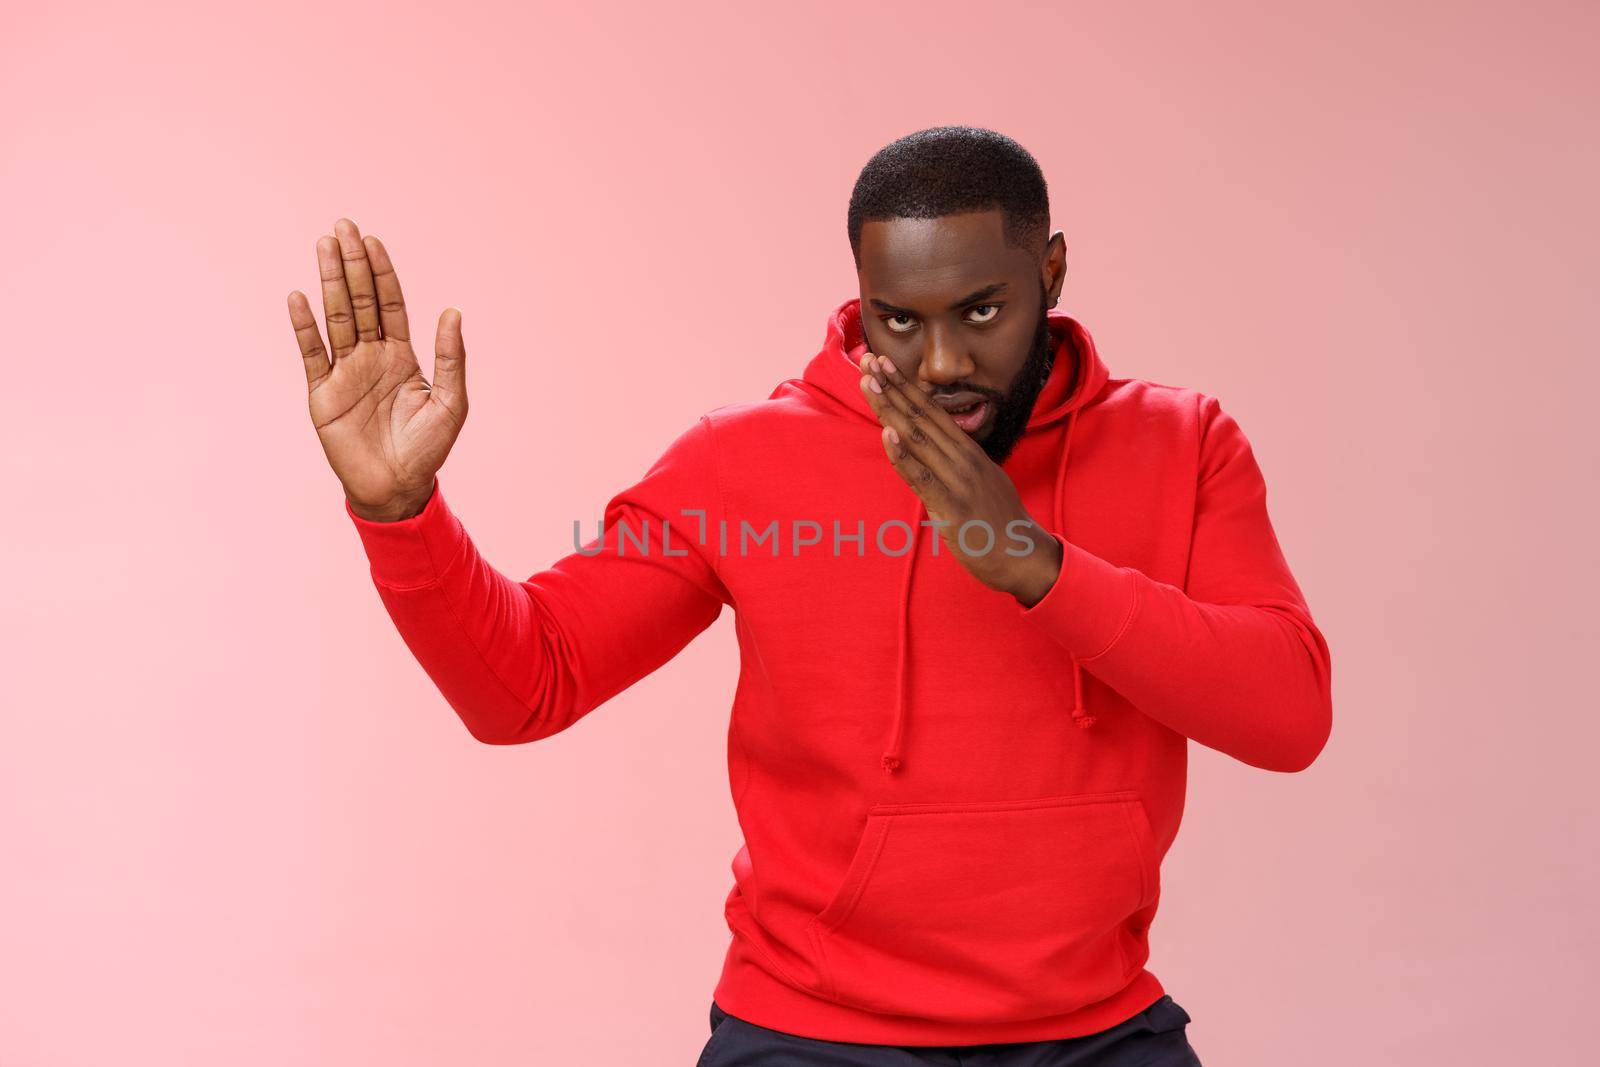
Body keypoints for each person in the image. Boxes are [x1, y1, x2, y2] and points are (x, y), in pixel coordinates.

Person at [287, 126, 1332, 1066]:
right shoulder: (743, 464)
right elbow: (524, 686)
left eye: (981, 310)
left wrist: (1032, 562)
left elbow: (1287, 715)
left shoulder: (1182, 441)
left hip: (1096, 1028)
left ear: (1049, 270)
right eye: (898, 319)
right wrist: (401, 511)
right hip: (812, 1033)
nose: (941, 363)